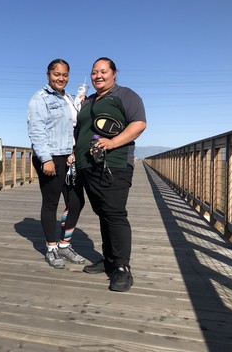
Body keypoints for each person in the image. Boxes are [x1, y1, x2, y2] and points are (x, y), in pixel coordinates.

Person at [73, 57, 147, 292]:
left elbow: (139, 124)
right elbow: (81, 130)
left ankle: (123, 268)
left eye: (103, 71)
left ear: (114, 74)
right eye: (94, 72)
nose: (98, 75)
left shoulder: (125, 95)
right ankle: (109, 261)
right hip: (88, 165)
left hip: (114, 165)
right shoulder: (89, 100)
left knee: (114, 214)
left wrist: (113, 142)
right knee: (103, 213)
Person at [27, 58, 86, 269]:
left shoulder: (68, 98)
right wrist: (46, 159)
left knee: (76, 202)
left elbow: (72, 126)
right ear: (48, 75)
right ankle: (51, 248)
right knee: (51, 203)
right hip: (51, 157)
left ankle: (64, 244)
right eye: (56, 74)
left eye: (65, 75)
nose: (61, 78)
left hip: (69, 157)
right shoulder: (39, 99)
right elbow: (36, 131)